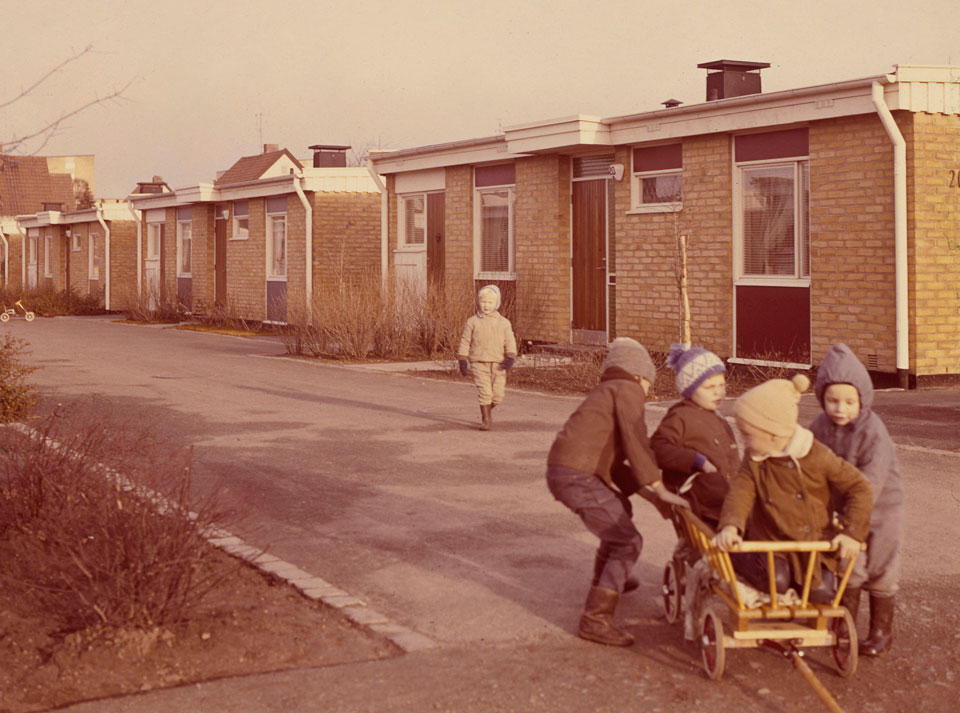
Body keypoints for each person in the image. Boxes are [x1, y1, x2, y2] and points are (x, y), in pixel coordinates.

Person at [546, 337, 689, 646]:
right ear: (639, 375)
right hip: (577, 475)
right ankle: (595, 620)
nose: (647, 392)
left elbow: (620, 465)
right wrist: (659, 487)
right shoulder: (628, 390)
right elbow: (637, 444)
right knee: (628, 541)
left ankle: (613, 579)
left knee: (619, 508)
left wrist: (651, 496)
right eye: (649, 384)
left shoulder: (606, 391)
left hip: (567, 472)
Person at [715, 374, 873, 604]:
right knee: (775, 581)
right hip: (771, 540)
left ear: (773, 433)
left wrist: (852, 533)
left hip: (812, 542)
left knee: (821, 593)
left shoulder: (817, 455)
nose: (745, 442)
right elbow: (741, 491)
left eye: (748, 435)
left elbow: (860, 487)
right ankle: (738, 563)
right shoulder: (755, 457)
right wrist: (731, 526)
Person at [810, 343, 904, 656]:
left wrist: (855, 522)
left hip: (881, 507)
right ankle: (844, 624)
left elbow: (871, 482)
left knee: (880, 564)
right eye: (832, 400)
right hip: (844, 510)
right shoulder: (819, 427)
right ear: (822, 398)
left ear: (862, 399)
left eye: (849, 401)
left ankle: (880, 631)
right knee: (849, 564)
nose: (840, 408)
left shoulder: (872, 431)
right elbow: (810, 467)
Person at [651, 344, 740, 527]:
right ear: (690, 389)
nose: (718, 392)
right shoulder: (681, 416)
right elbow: (657, 447)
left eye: (722, 385)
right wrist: (696, 460)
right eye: (709, 387)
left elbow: (732, 459)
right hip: (704, 503)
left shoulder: (718, 419)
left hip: (726, 499)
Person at [457, 285, 517, 431]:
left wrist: (510, 356)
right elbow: (465, 340)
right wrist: (462, 359)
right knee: (485, 392)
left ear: (496, 304)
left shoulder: (503, 322)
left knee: (497, 395)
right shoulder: (472, 321)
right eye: (483, 302)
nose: (486, 305)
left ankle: (488, 410)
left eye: (490, 302)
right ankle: (486, 420)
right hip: (479, 362)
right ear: (479, 302)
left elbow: (510, 340)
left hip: (498, 363)